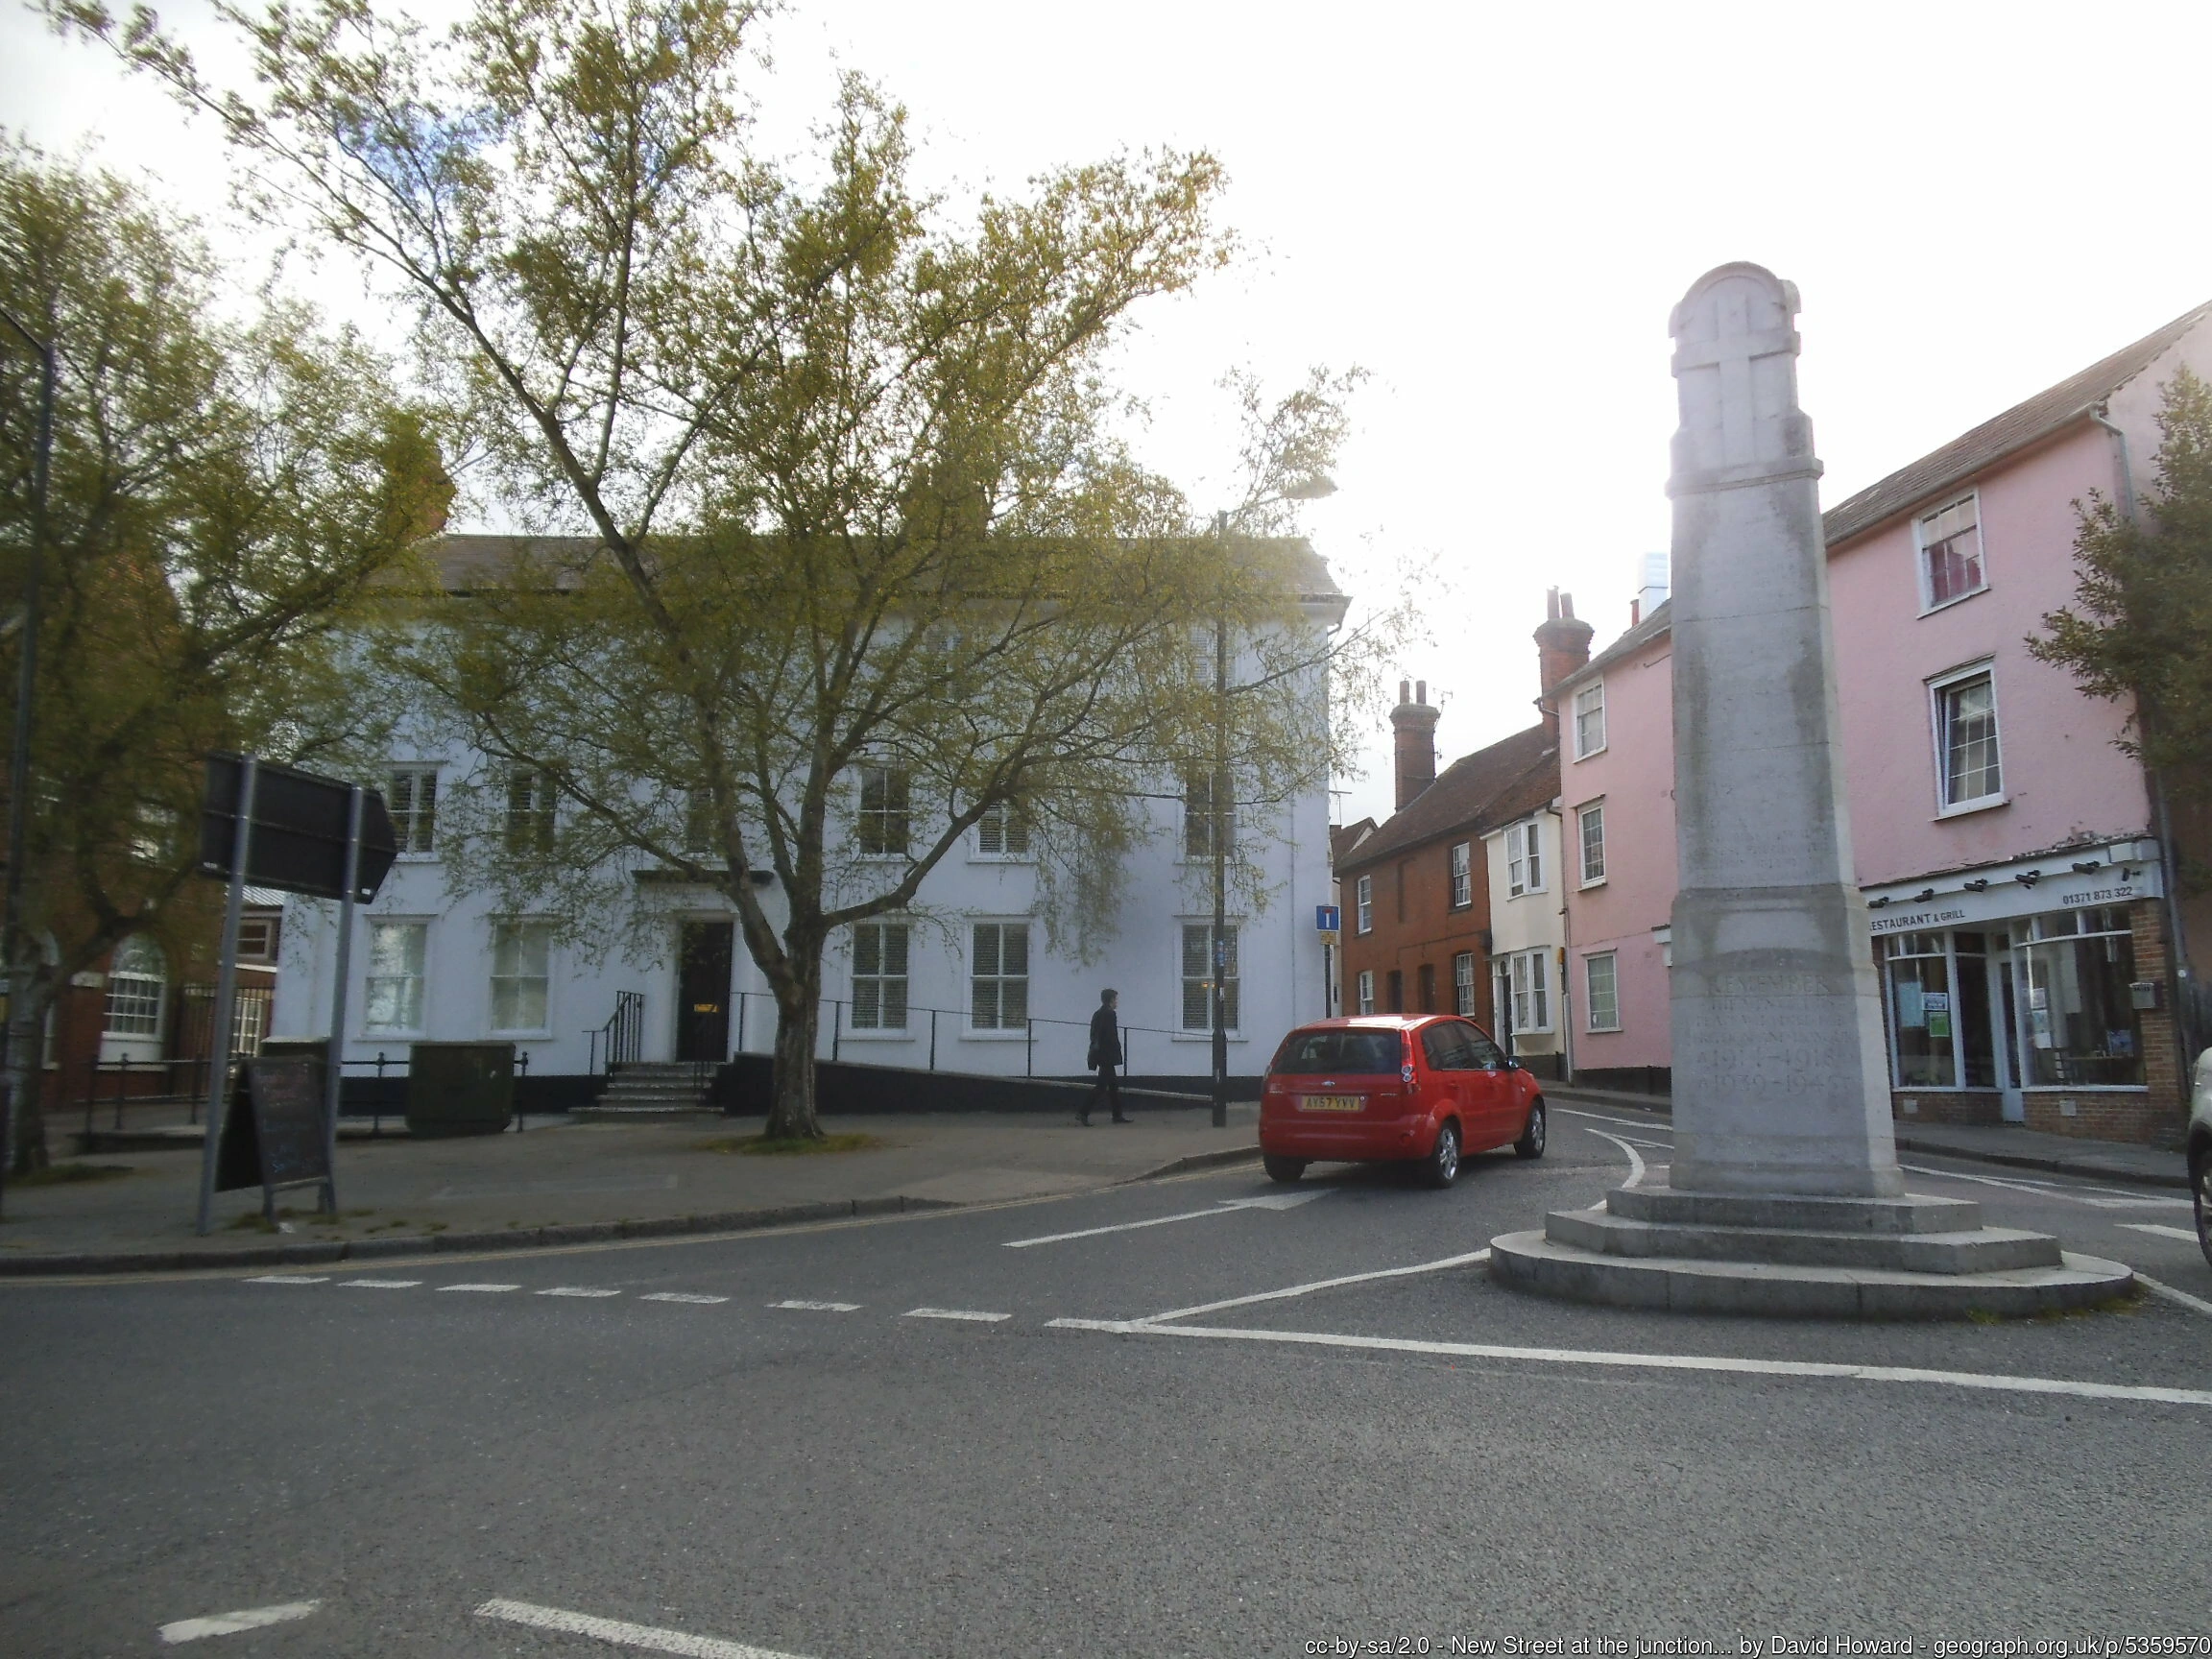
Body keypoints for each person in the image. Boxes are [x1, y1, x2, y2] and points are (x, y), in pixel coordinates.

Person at [1083, 988, 1129, 1125]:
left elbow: (1094, 1034)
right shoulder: (1110, 1014)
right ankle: (1083, 1112)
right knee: (1102, 1086)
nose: (1117, 1002)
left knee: (1113, 1085)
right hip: (1107, 1056)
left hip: (1101, 1055)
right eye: (1115, 999)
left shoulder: (1097, 1013)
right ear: (1110, 1000)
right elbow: (1110, 1036)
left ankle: (1117, 1114)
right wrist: (1116, 1052)